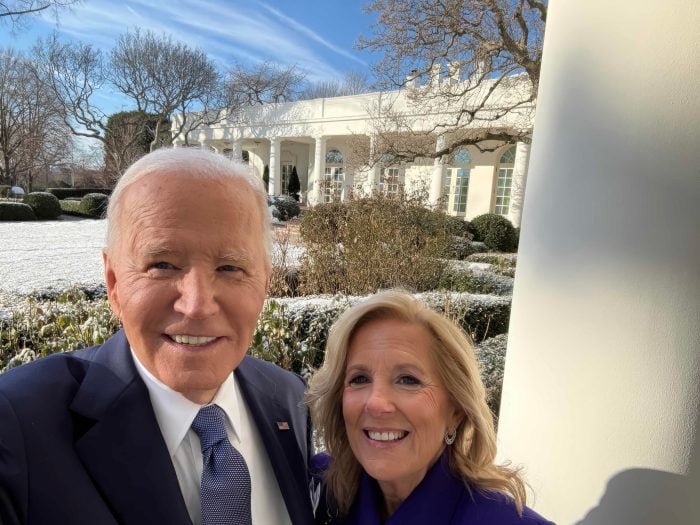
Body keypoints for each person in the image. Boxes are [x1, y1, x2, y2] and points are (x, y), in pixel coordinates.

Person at [0, 148, 315, 525]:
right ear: (113, 282)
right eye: (162, 265)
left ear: (264, 282)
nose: (197, 305)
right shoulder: (16, 424)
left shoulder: (289, 398)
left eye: (230, 267)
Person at [307, 290, 554, 525]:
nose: (376, 403)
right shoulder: (319, 486)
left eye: (408, 380)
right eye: (359, 379)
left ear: (456, 411)